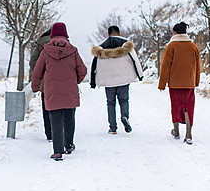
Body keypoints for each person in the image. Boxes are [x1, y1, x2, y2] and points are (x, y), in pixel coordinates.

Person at [31, 22, 87, 161]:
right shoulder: (73, 51)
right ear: (65, 34)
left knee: (55, 120)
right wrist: (75, 81)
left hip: (52, 92)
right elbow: (83, 70)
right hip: (70, 91)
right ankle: (68, 145)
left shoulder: (45, 51)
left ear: (52, 35)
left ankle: (57, 152)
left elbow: (37, 72)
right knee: (69, 119)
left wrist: (35, 87)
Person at [91, 25, 144, 134]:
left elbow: (94, 66)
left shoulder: (101, 48)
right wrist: (140, 75)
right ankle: (124, 116)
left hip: (109, 82)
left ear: (108, 34)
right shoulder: (126, 45)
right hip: (123, 79)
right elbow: (135, 61)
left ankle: (113, 128)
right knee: (124, 101)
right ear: (119, 33)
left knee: (110, 103)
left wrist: (93, 82)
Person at [158, 22, 201, 144]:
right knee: (189, 107)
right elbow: (198, 66)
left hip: (174, 84)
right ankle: (188, 134)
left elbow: (166, 66)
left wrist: (162, 83)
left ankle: (176, 131)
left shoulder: (171, 46)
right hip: (189, 83)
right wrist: (196, 81)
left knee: (176, 106)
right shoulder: (193, 46)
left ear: (175, 33)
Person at [29, 27, 53, 141]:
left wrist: (40, 74)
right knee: (62, 107)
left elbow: (33, 61)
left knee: (46, 108)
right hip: (63, 84)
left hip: (46, 83)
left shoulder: (40, 42)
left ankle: (49, 134)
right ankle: (61, 132)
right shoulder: (65, 42)